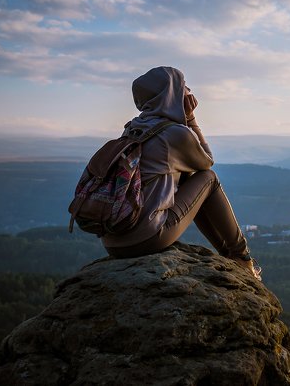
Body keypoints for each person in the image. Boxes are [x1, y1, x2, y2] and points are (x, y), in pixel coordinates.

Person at [100, 66, 260, 280]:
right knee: (208, 179)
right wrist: (191, 119)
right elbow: (207, 162)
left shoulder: (132, 129)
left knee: (192, 182)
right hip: (146, 239)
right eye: (183, 86)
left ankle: (229, 255)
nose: (189, 91)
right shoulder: (172, 133)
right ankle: (242, 257)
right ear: (170, 93)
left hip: (113, 241)